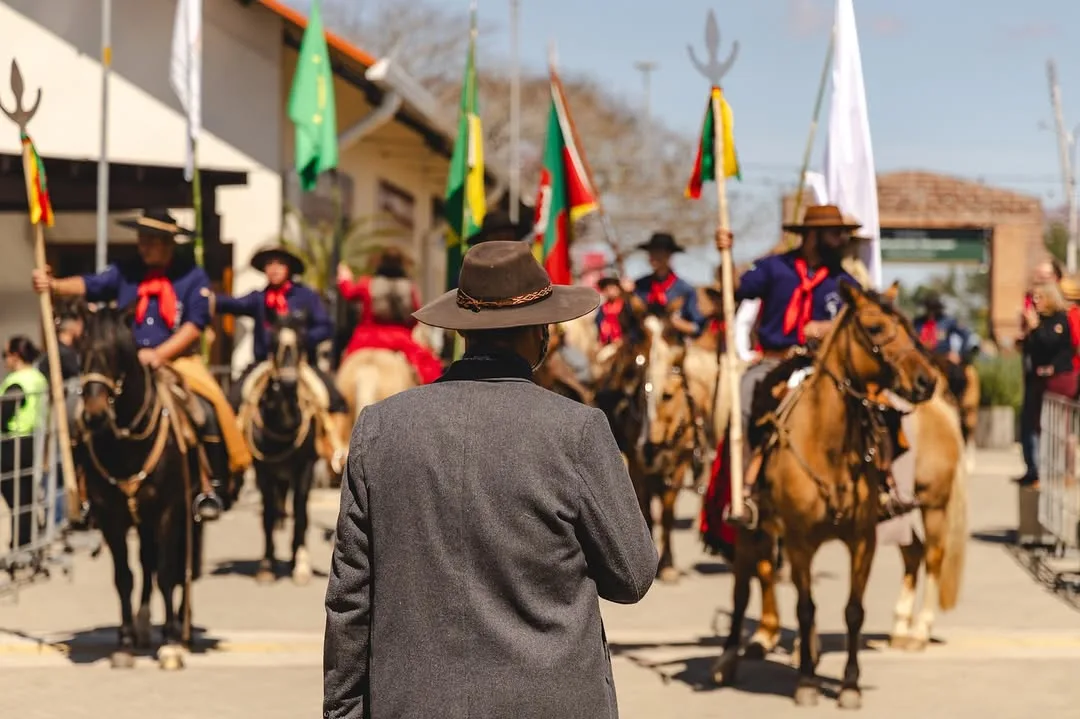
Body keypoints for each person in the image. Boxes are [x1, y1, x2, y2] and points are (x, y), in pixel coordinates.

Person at [324, 240, 657, 719]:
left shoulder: (379, 427)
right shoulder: (578, 430)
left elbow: (348, 601)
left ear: (463, 330)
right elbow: (631, 577)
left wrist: (341, 713)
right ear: (540, 332)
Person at [30, 208, 252, 520]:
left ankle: (212, 486)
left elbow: (195, 324)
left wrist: (160, 354)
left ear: (169, 243)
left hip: (177, 360)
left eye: (151, 240)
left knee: (208, 409)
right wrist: (53, 285)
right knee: (82, 412)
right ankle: (86, 489)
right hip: (125, 363)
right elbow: (90, 285)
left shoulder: (192, 276)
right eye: (142, 238)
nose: (144, 246)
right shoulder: (125, 270)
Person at [714, 205, 863, 526]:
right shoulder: (773, 268)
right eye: (835, 233)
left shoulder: (843, 281)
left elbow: (861, 319)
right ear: (813, 236)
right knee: (745, 399)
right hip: (774, 361)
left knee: (872, 405)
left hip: (823, 366)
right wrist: (726, 256)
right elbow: (735, 289)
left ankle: (882, 485)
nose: (841, 240)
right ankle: (746, 490)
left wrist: (828, 328)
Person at [213, 243, 350, 470]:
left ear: (289, 268)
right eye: (269, 264)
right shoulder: (259, 298)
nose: (274, 269)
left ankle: (335, 451)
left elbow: (325, 326)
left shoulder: (306, 296)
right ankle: (233, 459)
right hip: (266, 365)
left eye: (279, 264)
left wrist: (301, 339)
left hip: (301, 364)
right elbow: (233, 303)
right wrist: (208, 298)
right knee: (233, 399)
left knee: (333, 398)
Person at [337, 247, 443, 384]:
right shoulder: (410, 288)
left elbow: (349, 293)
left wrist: (344, 278)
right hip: (401, 338)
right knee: (428, 368)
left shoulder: (367, 284)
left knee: (345, 364)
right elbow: (415, 317)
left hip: (367, 337)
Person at [1017, 282, 1076, 488]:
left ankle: (1064, 472)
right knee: (1041, 426)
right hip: (1041, 381)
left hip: (1060, 381)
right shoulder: (1040, 321)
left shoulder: (1059, 320)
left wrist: (1035, 328)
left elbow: (1050, 344)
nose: (1035, 302)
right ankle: (1041, 471)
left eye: (1039, 297)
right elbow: (1032, 350)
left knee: (1059, 427)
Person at [0, 336, 48, 555]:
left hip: (13, 443)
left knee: (15, 497)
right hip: (31, 441)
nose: (4, 360)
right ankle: (27, 541)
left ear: (16, 356)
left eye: (5, 355)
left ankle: (20, 544)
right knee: (25, 495)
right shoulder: (38, 378)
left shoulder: (17, 381)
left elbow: (4, 414)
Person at [633, 232, 705, 337]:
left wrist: (680, 324)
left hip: (675, 343)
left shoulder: (685, 289)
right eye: (651, 252)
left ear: (669, 255)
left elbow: (698, 327)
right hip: (645, 343)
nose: (653, 256)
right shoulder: (640, 286)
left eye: (658, 252)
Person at [914, 291, 979, 401]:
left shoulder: (948, 321)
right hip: (923, 358)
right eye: (930, 308)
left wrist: (959, 354)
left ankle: (956, 400)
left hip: (943, 358)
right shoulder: (918, 323)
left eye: (935, 308)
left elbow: (965, 335)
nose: (932, 311)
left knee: (958, 376)